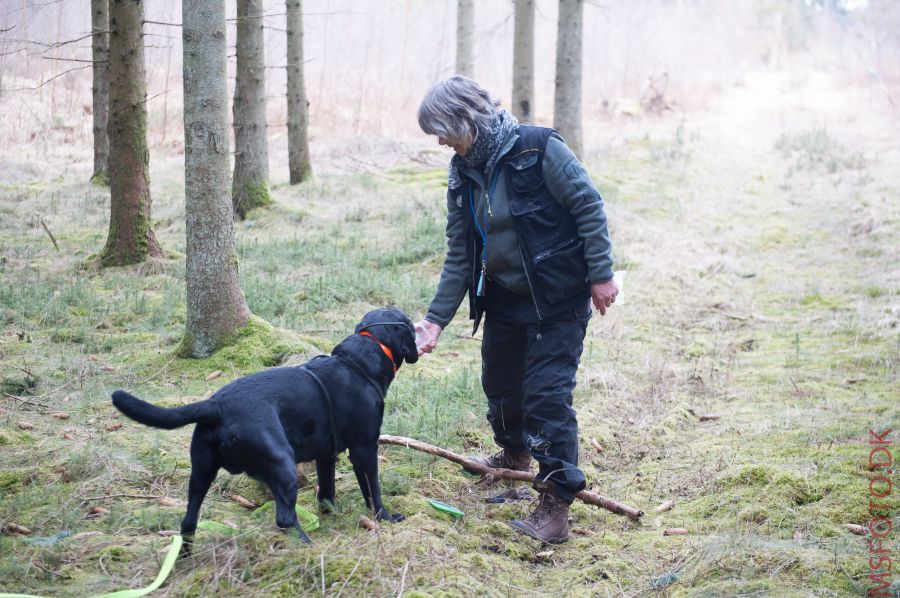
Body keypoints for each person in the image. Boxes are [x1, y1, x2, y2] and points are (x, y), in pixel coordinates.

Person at [414, 75, 618, 544]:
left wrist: (601, 274)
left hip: (557, 299)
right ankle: (513, 458)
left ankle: (555, 503)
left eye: (442, 130)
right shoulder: (462, 173)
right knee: (502, 388)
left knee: (546, 398)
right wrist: (434, 321)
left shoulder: (538, 149)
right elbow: (459, 252)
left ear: (465, 119)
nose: (440, 141)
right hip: (504, 299)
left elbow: (588, 205)